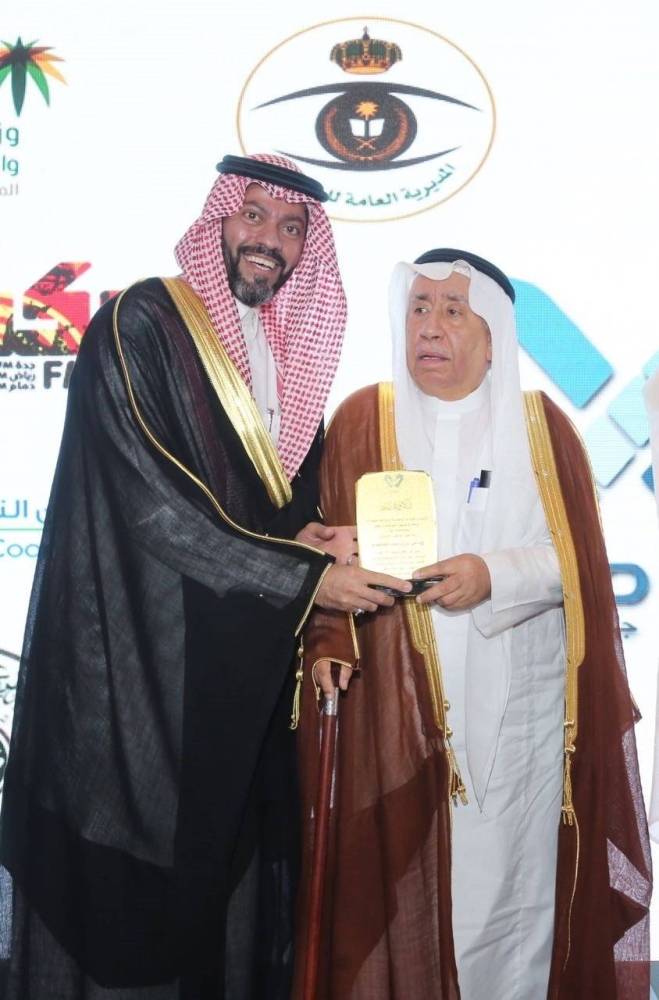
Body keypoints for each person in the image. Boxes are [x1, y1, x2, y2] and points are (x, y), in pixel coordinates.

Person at [0, 154, 409, 1000]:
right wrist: (303, 581)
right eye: (253, 215)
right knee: (121, 907)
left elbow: (252, 503)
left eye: (290, 228)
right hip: (138, 666)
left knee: (234, 902)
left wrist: (304, 540)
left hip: (235, 665)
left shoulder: (280, 348)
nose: (270, 240)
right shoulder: (140, 323)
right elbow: (152, 503)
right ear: (217, 219)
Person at [293, 249, 651, 999]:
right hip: (388, 721)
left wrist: (494, 574)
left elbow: (577, 563)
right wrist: (321, 589)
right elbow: (320, 561)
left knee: (510, 910)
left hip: (516, 727)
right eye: (419, 309)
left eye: (454, 311)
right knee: (390, 905)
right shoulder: (361, 417)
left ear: (493, 338)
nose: (431, 327)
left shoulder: (542, 430)